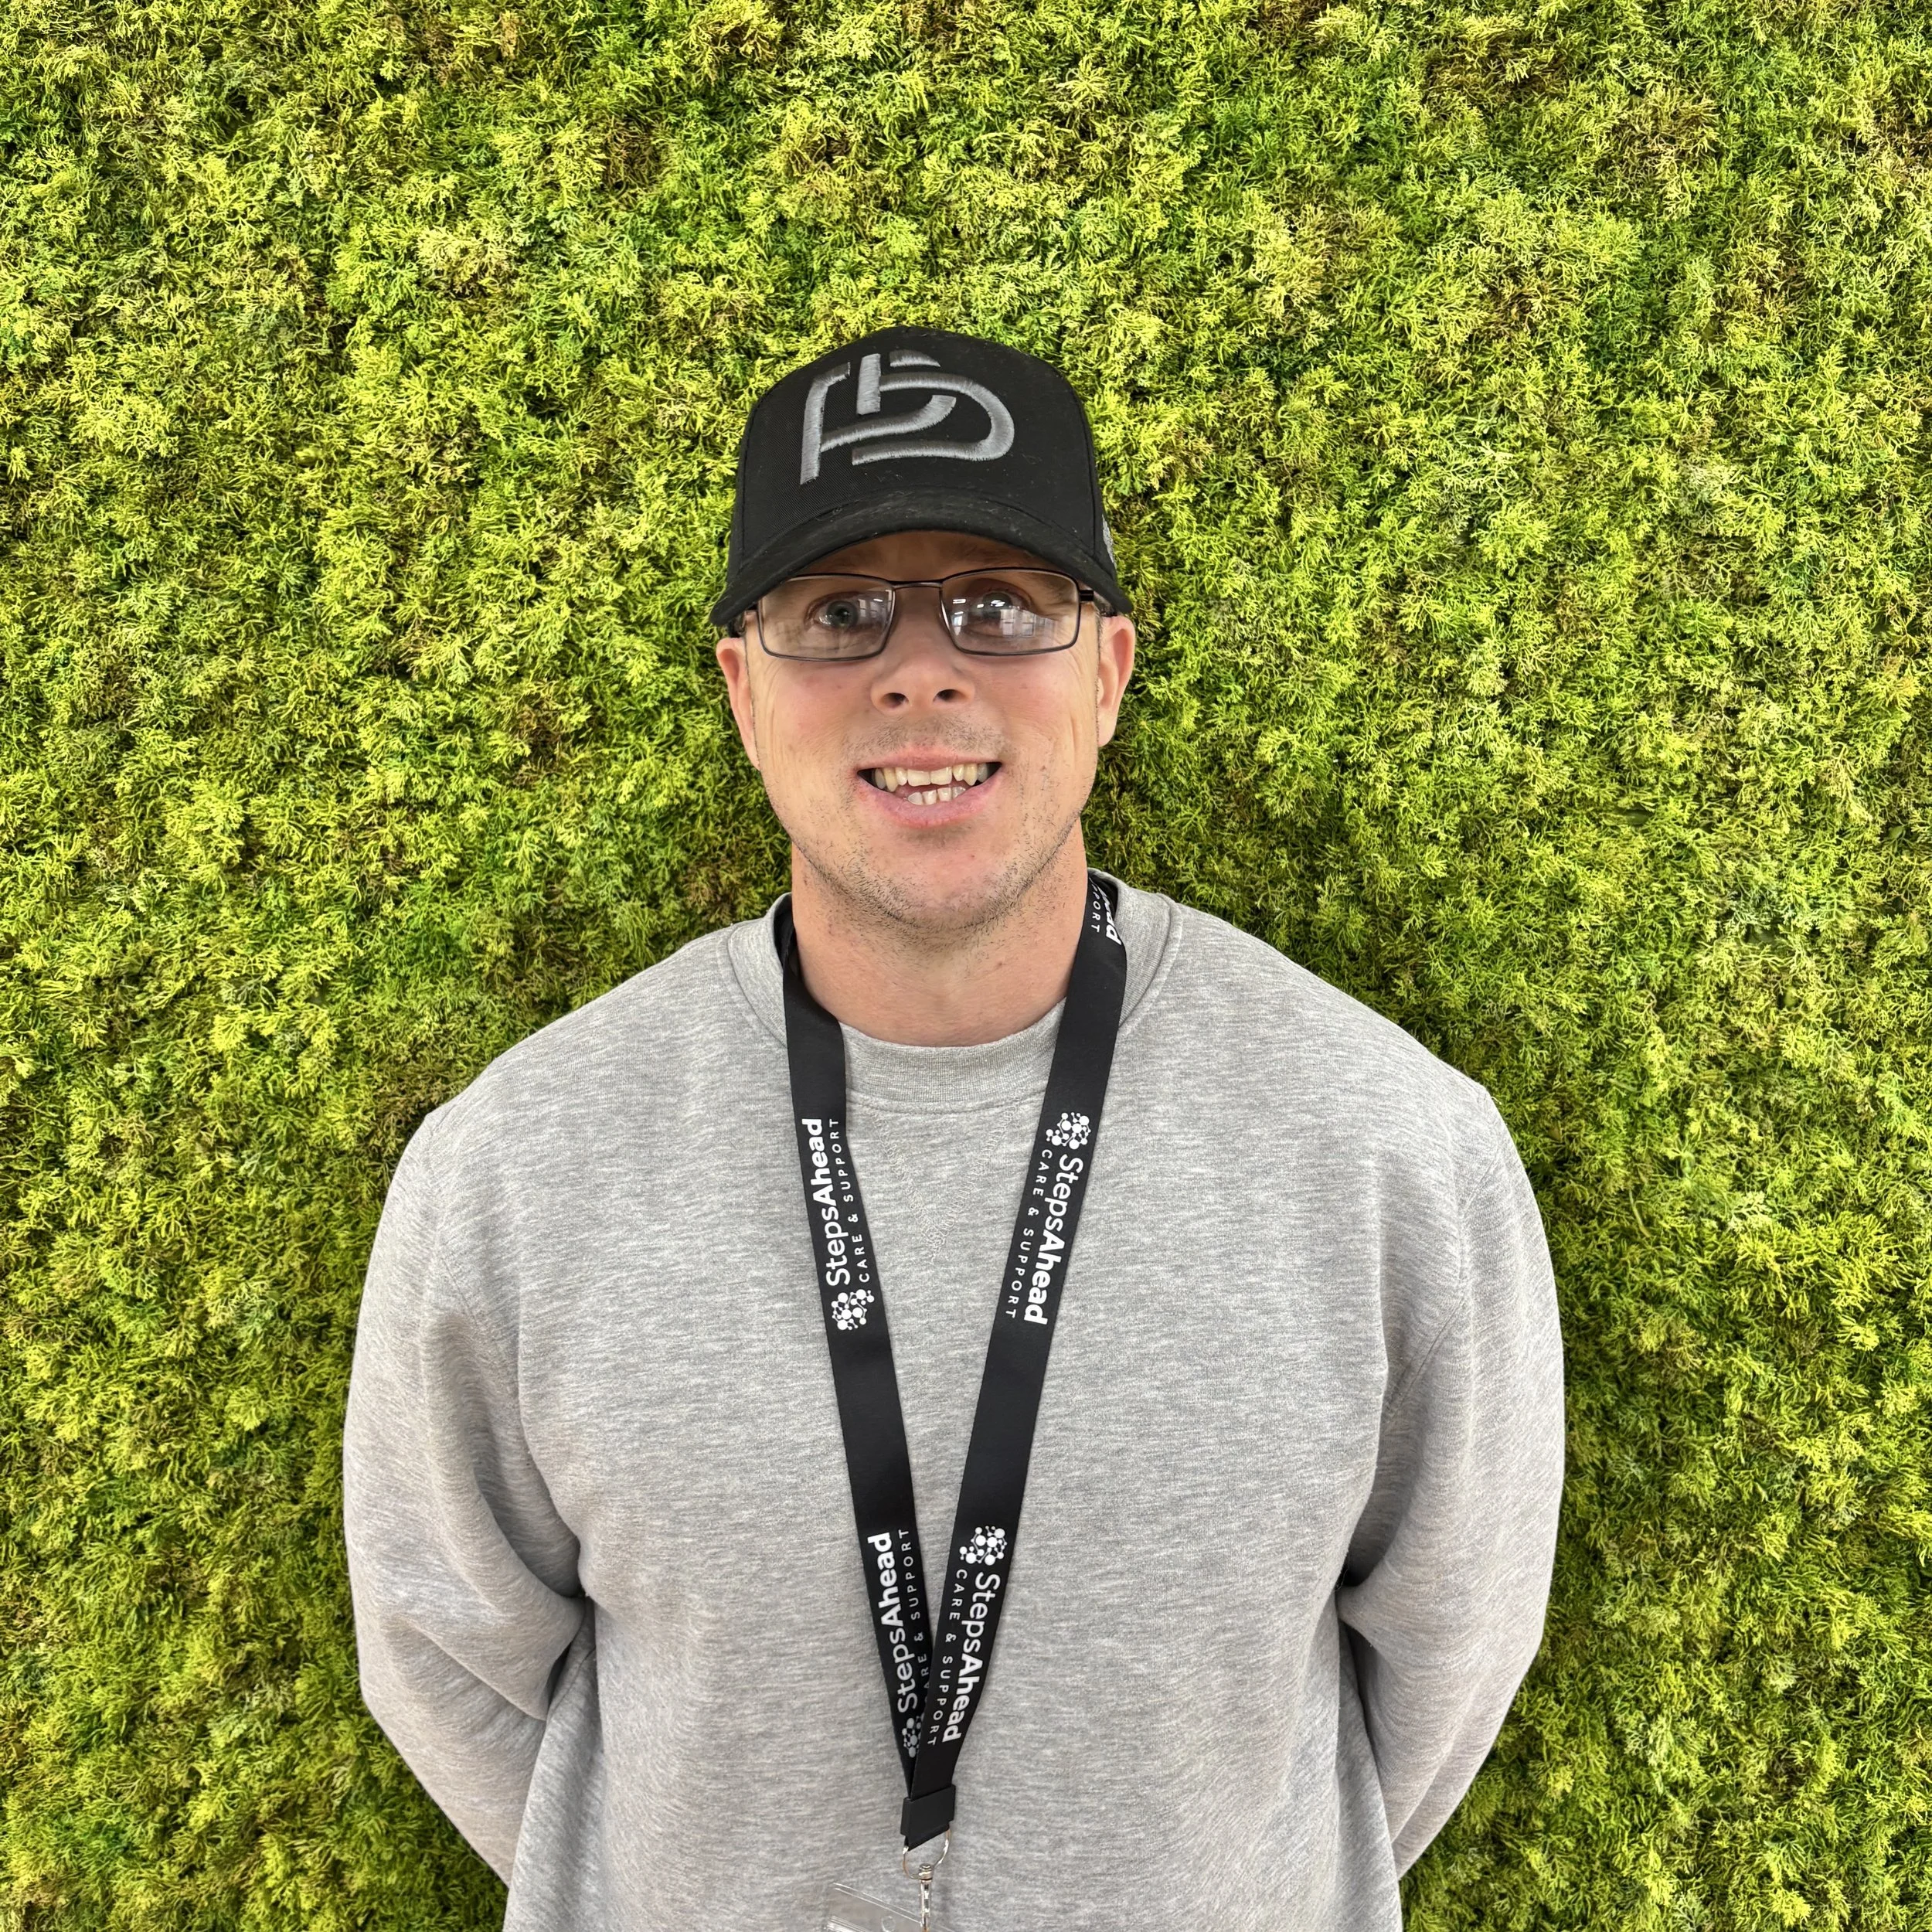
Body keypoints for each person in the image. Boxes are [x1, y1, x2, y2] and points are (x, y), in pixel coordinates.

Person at [343, 326, 1566, 1931]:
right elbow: (449, 1652)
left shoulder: (1386, 1148)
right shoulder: (519, 1164)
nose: (920, 670)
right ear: (742, 690)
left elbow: (1447, 1650)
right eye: (838, 611)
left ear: (1108, 671)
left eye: (998, 603)